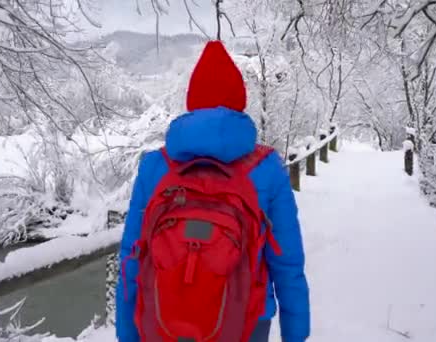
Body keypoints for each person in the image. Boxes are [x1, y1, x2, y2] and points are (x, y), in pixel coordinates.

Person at [115, 40, 310, 342]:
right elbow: (287, 262)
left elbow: (131, 258)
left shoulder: (155, 166)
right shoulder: (267, 167)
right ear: (239, 102)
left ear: (192, 103)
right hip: (246, 320)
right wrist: (295, 334)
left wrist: (128, 334)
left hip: (163, 316)